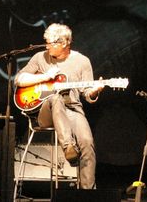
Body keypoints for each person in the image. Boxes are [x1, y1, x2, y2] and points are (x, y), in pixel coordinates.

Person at [14, 23, 104, 189]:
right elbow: (19, 79)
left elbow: (87, 93)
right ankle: (68, 146)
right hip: (46, 112)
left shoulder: (82, 61)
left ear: (64, 43)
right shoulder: (40, 58)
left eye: (51, 43)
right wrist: (45, 77)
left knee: (87, 143)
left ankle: (87, 194)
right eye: (46, 42)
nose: (47, 46)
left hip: (73, 109)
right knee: (55, 98)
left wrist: (94, 92)